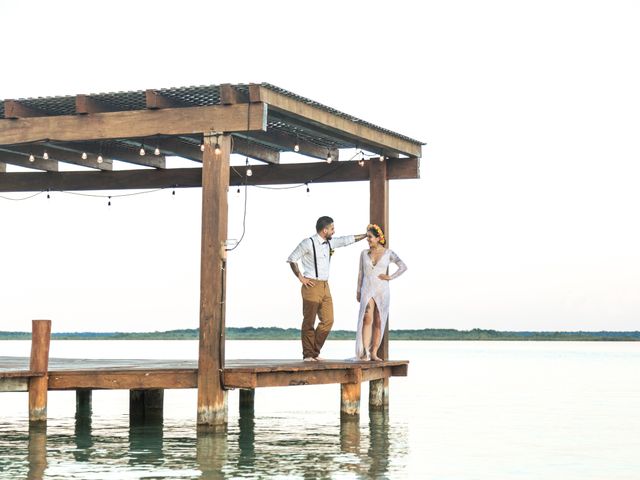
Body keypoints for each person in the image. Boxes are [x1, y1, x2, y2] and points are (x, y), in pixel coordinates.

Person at [288, 216, 366, 361]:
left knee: (328, 320)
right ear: (325, 230)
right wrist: (300, 277)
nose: (334, 231)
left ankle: (314, 351)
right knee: (309, 321)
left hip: (325, 286)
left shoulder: (330, 243)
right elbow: (292, 258)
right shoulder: (308, 243)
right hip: (311, 285)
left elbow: (346, 240)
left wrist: (366, 235)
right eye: (332, 228)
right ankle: (308, 355)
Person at [355, 224, 407, 361]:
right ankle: (365, 352)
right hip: (367, 288)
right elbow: (360, 272)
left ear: (378, 238)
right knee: (367, 318)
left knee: (378, 320)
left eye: (370, 237)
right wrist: (358, 290)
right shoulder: (364, 253)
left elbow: (403, 266)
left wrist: (390, 277)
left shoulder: (388, 253)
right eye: (367, 237)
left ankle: (374, 352)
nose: (368, 240)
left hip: (382, 289)